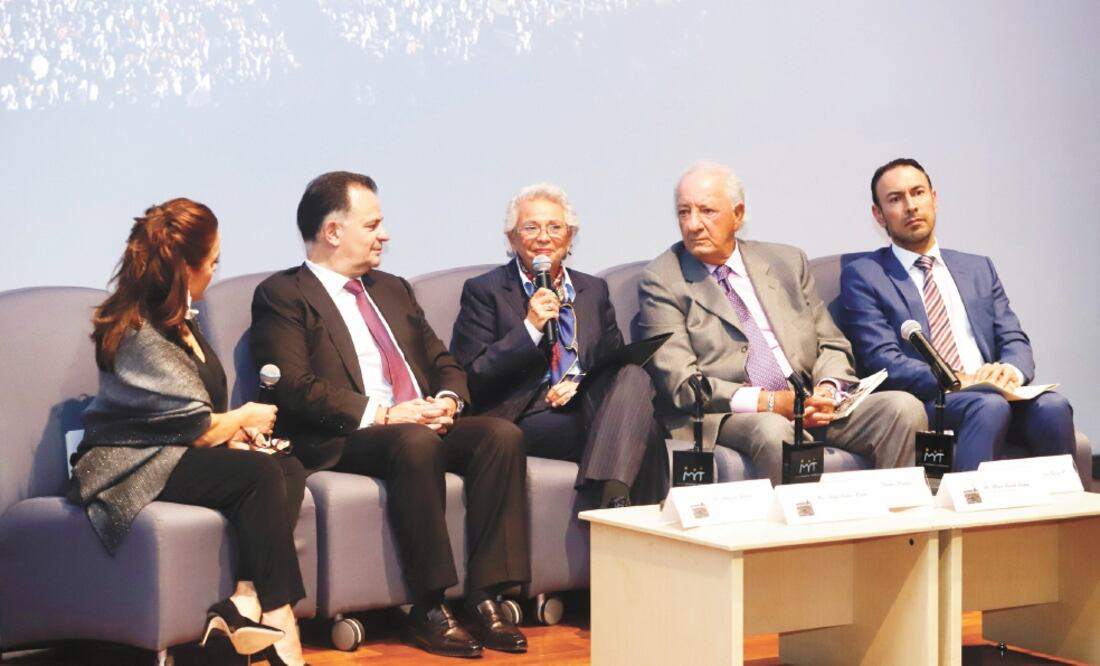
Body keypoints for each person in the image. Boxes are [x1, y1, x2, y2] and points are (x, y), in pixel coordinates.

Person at [250, 171, 529, 658]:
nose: (385, 235)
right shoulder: (284, 294)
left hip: (413, 420)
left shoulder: (393, 289)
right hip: (346, 434)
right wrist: (384, 414)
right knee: (414, 443)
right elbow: (294, 386)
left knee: (499, 436)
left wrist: (447, 401)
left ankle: (486, 597)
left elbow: (443, 362)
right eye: (373, 224)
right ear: (333, 231)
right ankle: (427, 608)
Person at [69, 199, 309, 666]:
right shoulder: (138, 331)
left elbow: (192, 422)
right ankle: (281, 620)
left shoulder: (182, 323)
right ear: (185, 267)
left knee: (287, 467)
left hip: (171, 454)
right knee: (259, 475)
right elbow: (195, 427)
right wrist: (243, 420)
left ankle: (243, 601)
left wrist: (235, 435)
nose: (215, 272)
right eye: (213, 262)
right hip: (128, 464)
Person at [638, 161, 926, 485]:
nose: (693, 225)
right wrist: (771, 402)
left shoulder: (786, 262)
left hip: (807, 401)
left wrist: (827, 391)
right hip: (730, 412)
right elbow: (681, 384)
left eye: (707, 211)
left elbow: (830, 342)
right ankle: (803, 532)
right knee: (773, 429)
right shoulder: (662, 279)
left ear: (738, 214)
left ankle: (890, 529)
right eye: (683, 213)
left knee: (903, 408)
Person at [836, 158, 1076, 471]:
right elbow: (882, 361)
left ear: (934, 198)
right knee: (988, 407)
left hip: (996, 392)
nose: (911, 206)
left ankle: (1064, 517)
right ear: (878, 215)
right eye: (896, 199)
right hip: (934, 400)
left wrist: (1010, 372)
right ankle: (968, 515)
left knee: (1054, 407)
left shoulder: (978, 267)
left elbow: (1013, 338)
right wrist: (957, 380)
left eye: (918, 193)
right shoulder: (865, 275)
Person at [450, 183, 669, 508]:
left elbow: (615, 366)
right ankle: (623, 517)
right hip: (528, 414)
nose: (543, 237)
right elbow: (472, 377)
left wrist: (579, 386)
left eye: (555, 227)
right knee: (645, 432)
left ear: (570, 237)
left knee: (635, 376)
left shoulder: (593, 290)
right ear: (511, 238)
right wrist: (530, 329)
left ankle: (612, 504)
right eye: (531, 227)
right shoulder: (486, 291)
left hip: (588, 403)